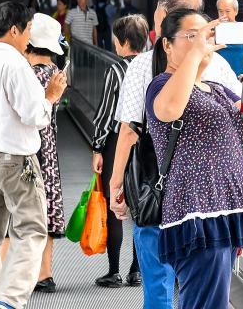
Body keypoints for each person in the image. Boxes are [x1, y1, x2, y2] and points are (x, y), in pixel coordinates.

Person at [108, 0, 242, 309]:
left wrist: (115, 183)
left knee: (160, 284)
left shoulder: (141, 65)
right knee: (201, 287)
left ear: (166, 17)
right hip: (204, 196)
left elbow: (128, 130)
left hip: (155, 189)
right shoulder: (214, 65)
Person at [147, 8, 243, 309]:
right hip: (198, 214)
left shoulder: (216, 89)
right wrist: (195, 53)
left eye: (205, 35)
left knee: (212, 301)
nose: (200, 42)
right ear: (167, 45)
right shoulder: (161, 86)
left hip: (226, 211)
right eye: (190, 36)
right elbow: (170, 109)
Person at [0, 2, 67, 309]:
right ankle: (8, 301)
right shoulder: (15, 65)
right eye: (27, 31)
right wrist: (50, 97)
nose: (28, 39)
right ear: (15, 30)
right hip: (16, 161)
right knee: (32, 231)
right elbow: (34, 116)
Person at [91, 15, 149, 289]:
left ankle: (113, 271)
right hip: (146, 142)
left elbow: (105, 114)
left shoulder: (115, 70)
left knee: (116, 203)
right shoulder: (154, 67)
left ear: (124, 42)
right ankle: (137, 270)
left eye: (116, 39)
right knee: (139, 204)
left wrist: (97, 147)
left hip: (117, 141)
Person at [23, 13, 67, 294]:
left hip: (23, 148)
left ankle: (18, 274)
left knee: (20, 210)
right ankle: (45, 274)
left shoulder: (22, 73)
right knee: (46, 205)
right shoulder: (56, 75)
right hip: (47, 150)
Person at [216, 0, 243, 76]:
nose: (224, 15)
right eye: (220, 11)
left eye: (227, 11)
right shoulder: (213, 31)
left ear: (236, 11)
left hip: (241, 77)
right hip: (220, 78)